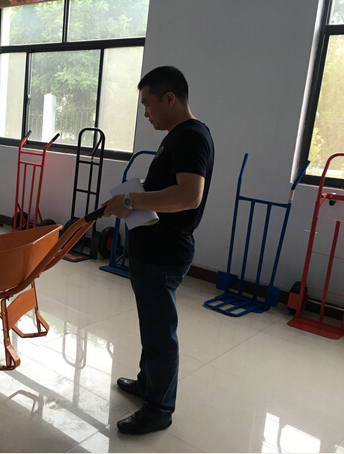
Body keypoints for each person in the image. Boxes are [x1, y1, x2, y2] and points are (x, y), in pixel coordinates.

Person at [102, 66, 214, 435]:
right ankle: (148, 383)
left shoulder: (191, 137)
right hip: (153, 247)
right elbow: (168, 187)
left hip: (165, 251)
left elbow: (188, 195)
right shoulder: (176, 135)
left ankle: (159, 409)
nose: (145, 113)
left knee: (160, 332)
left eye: (148, 105)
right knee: (152, 325)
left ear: (170, 98)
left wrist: (131, 200)